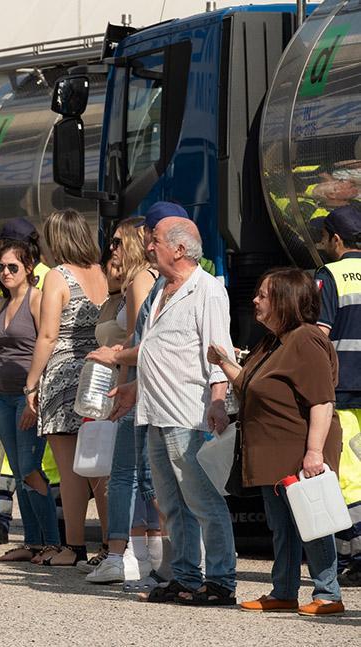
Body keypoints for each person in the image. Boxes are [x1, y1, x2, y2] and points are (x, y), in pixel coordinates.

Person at [116, 217, 238, 605]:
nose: (149, 247)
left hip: (189, 413)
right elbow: (156, 347)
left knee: (202, 500)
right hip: (156, 411)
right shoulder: (159, 288)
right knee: (171, 503)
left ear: (179, 250)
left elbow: (220, 352)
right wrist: (135, 386)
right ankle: (185, 576)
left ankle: (220, 582)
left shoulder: (208, 292)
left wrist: (218, 400)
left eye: (155, 241)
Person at [209, 268, 345, 616]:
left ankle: (328, 594)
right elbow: (251, 386)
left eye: (264, 295)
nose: (255, 300)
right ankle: (283, 591)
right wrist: (224, 362)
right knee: (281, 527)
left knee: (312, 524)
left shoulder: (306, 339)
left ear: (286, 300)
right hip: (274, 455)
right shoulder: (273, 341)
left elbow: (322, 400)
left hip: (299, 452)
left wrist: (314, 452)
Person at [24, 208, 109, 568]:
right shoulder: (104, 274)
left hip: (62, 378)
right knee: (101, 466)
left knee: (72, 470)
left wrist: (31, 382)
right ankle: (111, 543)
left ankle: (74, 546)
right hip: (99, 374)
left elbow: (47, 334)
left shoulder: (58, 277)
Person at [84, 218, 161, 585]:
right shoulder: (139, 281)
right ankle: (140, 555)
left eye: (117, 241)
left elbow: (139, 336)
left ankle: (122, 555)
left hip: (133, 387)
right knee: (138, 475)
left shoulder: (140, 280)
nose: (111, 248)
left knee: (127, 475)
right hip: (134, 385)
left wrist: (124, 379)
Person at [0, 241, 60, 561]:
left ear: (29, 268)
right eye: (1, 267)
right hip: (2, 397)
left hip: (29, 398)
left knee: (29, 469)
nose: (6, 272)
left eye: (13, 266)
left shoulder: (38, 300)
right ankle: (32, 542)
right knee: (17, 470)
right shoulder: (0, 305)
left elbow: (49, 346)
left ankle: (52, 542)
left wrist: (35, 395)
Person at [315, 204, 361, 587]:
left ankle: (355, 556)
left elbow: (320, 335)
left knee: (348, 475)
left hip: (344, 388)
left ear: (336, 239)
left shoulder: (330, 275)